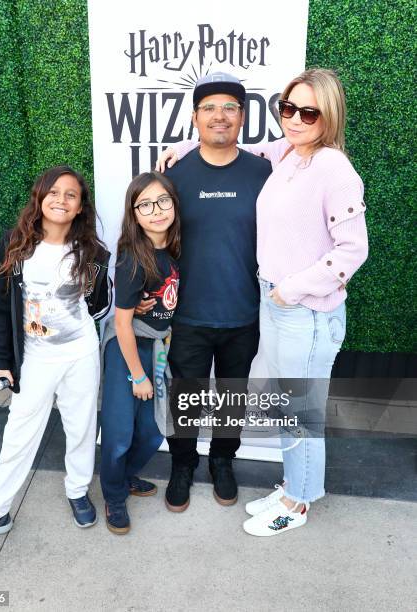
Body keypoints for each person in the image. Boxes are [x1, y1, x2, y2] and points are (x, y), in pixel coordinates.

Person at [157, 67, 369, 535]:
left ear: (328, 116)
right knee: (261, 405)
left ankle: (280, 492)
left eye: (308, 112)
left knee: (295, 410)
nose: (295, 119)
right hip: (231, 311)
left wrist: (289, 289)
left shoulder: (329, 166)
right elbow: (233, 146)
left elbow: (353, 249)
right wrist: (187, 147)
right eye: (288, 108)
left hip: (288, 310)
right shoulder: (287, 154)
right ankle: (198, 467)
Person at [0, 165, 112, 543]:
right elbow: (0, 308)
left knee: (82, 426)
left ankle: (77, 490)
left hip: (80, 354)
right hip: (34, 359)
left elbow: (100, 304)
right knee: (20, 433)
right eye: (53, 192)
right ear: (39, 198)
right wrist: (0, 361)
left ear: (80, 207)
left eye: (71, 195)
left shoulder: (94, 253)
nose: (61, 199)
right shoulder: (14, 245)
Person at [145, 71, 272, 512]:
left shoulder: (265, 171)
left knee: (233, 396)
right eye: (210, 108)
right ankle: (183, 464)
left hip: (245, 313)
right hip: (188, 316)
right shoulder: (174, 176)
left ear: (243, 116)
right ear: (195, 117)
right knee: (186, 397)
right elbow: (150, 239)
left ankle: (223, 461)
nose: (220, 116)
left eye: (230, 107)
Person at [100, 171, 180, 534]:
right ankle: (114, 496)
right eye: (144, 204)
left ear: (174, 204)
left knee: (153, 430)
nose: (156, 210)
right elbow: (120, 325)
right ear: (134, 213)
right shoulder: (134, 257)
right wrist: (138, 375)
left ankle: (127, 475)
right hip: (128, 351)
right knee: (119, 433)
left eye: (163, 200)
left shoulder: (177, 249)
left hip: (157, 347)